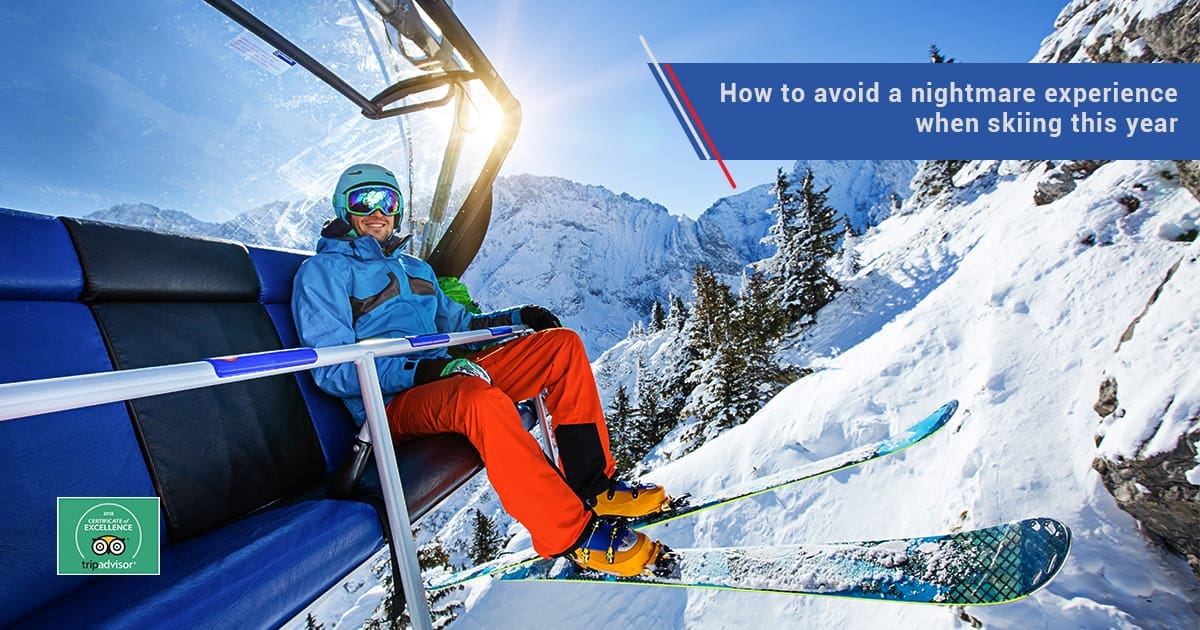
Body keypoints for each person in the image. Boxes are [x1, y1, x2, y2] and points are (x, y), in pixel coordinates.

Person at [292, 163, 671, 577]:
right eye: (362, 200)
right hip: (390, 405)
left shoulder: (415, 269)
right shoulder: (322, 272)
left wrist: (519, 316)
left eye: (387, 200)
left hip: (443, 376)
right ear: (342, 209)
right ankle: (570, 535)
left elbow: (462, 328)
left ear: (399, 209)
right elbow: (330, 369)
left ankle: (593, 486)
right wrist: (423, 373)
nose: (376, 211)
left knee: (561, 347)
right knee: (478, 400)